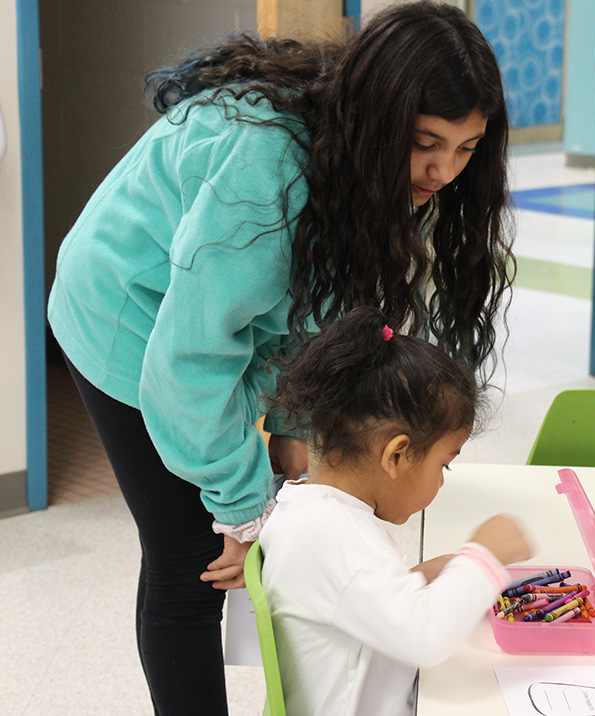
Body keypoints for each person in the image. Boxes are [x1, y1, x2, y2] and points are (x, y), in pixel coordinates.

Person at [46, 2, 514, 714]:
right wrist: (243, 512)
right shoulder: (265, 171)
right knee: (192, 560)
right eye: (426, 143)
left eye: (467, 148)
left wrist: (295, 427)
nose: (444, 170)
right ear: (381, 116)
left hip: (204, 312)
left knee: (258, 498)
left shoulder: (375, 157)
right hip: (123, 311)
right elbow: (190, 361)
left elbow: (318, 306)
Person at [260, 306, 534, 716]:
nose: (442, 481)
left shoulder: (310, 509)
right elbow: (425, 637)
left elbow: (348, 595)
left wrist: (419, 578)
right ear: (397, 455)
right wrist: (483, 557)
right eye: (444, 464)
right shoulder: (331, 533)